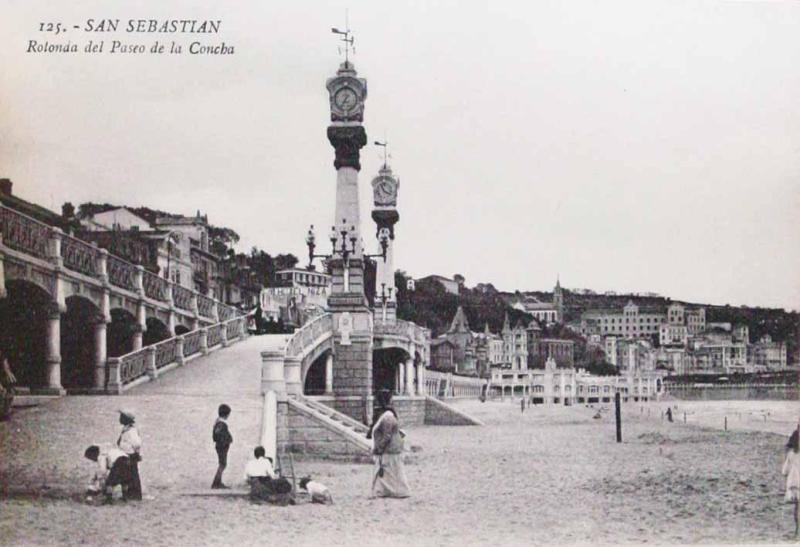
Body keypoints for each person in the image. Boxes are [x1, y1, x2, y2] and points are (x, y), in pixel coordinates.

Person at [368, 389, 410, 499]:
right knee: (390, 473)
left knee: (387, 472)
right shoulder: (389, 416)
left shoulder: (387, 417)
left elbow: (387, 436)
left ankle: (391, 491)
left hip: (390, 449)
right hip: (392, 448)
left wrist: (379, 448)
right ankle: (385, 491)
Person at [116, 409, 142, 500]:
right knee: (127, 475)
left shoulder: (131, 431)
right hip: (125, 454)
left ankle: (134, 495)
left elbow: (137, 444)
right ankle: (128, 495)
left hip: (130, 455)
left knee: (132, 475)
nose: (120, 418)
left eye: (122, 417)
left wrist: (136, 453)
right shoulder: (126, 429)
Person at [783, 424, 800, 537]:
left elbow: (784, 471)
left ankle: (797, 531)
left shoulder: (790, 454)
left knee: (797, 508)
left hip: (794, 483)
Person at [211, 404, 233, 489]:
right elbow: (218, 432)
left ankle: (218, 482)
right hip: (222, 446)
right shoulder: (221, 423)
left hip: (220, 445)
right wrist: (225, 440)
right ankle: (216, 483)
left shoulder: (217, 421)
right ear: (226, 414)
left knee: (222, 464)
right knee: (222, 464)